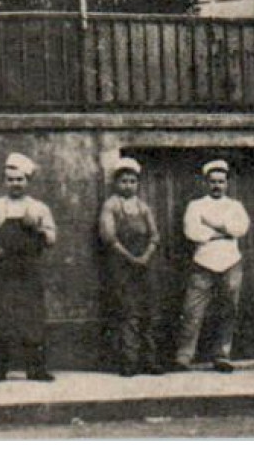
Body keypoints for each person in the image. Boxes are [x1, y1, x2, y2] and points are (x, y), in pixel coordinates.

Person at [0, 152, 57, 382]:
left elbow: (52, 238)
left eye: (20, 179)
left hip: (29, 268)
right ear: (5, 181)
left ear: (28, 181)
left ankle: (36, 369)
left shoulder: (38, 208)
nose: (15, 184)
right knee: (2, 316)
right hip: (4, 268)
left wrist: (37, 228)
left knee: (33, 316)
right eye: (11, 179)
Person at [173, 160, 250, 373]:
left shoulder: (235, 206)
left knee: (228, 310)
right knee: (192, 310)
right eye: (213, 181)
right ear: (206, 182)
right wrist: (223, 232)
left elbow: (241, 228)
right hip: (203, 262)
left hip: (231, 261)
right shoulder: (196, 206)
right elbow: (192, 232)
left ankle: (222, 355)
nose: (217, 185)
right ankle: (184, 356)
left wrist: (212, 227)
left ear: (227, 183)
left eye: (221, 182)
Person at [99, 158, 162, 376]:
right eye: (124, 181)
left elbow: (155, 236)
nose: (128, 185)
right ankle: (129, 362)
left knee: (149, 312)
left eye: (132, 181)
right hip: (122, 267)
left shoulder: (143, 207)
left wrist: (145, 256)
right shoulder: (111, 206)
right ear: (117, 183)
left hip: (145, 266)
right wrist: (130, 258)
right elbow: (109, 237)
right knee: (128, 313)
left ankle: (150, 361)